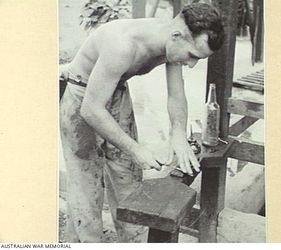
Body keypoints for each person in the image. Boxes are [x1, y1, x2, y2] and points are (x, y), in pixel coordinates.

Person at [60, 2, 224, 243]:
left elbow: (176, 95)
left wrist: (178, 136)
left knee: (128, 179)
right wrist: (135, 149)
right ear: (177, 36)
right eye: (192, 56)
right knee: (87, 188)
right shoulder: (123, 45)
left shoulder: (170, 41)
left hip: (116, 92)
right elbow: (92, 110)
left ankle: (135, 242)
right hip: (82, 96)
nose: (191, 64)